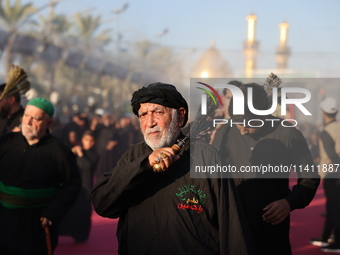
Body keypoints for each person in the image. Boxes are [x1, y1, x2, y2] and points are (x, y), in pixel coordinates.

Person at [92, 82, 252, 255]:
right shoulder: (134, 156)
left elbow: (231, 224)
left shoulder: (205, 157)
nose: (150, 122)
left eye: (158, 112)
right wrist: (143, 166)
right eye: (143, 115)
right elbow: (103, 204)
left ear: (180, 117)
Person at [212, 83, 320, 255]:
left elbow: (310, 178)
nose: (242, 131)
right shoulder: (226, 131)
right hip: (234, 224)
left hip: (272, 228)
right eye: (238, 124)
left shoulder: (288, 133)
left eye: (247, 125)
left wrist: (288, 202)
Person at [0, 97, 81, 254]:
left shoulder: (59, 151)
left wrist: (52, 214)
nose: (28, 122)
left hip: (36, 220)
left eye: (35, 118)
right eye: (26, 116)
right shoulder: (5, 143)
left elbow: (73, 184)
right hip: (3, 215)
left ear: (48, 123)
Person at [309, 97, 340, 253]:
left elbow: (333, 156)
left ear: (323, 112)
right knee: (332, 206)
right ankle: (325, 236)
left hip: (332, 174)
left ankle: (337, 241)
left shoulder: (326, 131)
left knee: (335, 207)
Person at [59, 130, 99, 242]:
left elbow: (87, 167)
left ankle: (81, 235)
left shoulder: (94, 155)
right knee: (71, 211)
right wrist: (72, 153)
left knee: (83, 212)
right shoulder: (76, 152)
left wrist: (80, 154)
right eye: (87, 140)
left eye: (91, 140)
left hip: (86, 188)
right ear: (82, 140)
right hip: (73, 186)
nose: (89, 143)